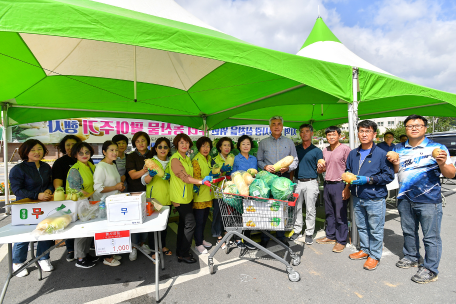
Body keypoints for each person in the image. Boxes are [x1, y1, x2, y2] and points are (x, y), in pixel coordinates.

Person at [388, 115, 455, 283]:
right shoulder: (398, 148)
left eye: (418, 125)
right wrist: (394, 162)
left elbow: (451, 174)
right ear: (405, 129)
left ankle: (431, 268)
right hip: (404, 197)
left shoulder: (438, 148)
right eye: (410, 125)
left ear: (425, 128)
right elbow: (397, 171)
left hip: (429, 199)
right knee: (408, 231)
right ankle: (411, 257)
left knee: (430, 237)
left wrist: (442, 163)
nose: (414, 128)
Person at [346, 120, 394, 271]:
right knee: (361, 226)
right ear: (357, 133)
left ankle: (374, 255)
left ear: (374, 134)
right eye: (361, 131)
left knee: (375, 228)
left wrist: (370, 180)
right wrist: (347, 181)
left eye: (368, 131)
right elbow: (348, 170)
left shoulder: (381, 154)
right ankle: (365, 249)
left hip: (375, 197)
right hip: (357, 196)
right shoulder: (353, 153)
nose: (364, 134)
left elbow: (389, 176)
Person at [9, 139, 55, 277]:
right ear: (26, 152)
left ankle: (43, 258)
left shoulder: (46, 167)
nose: (37, 152)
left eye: (39, 149)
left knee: (46, 231)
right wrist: (37, 195)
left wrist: (48, 190)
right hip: (25, 208)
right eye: (33, 150)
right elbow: (17, 190)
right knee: (24, 234)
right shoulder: (18, 169)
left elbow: (50, 183)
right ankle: (18, 262)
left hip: (44, 206)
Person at [170, 134, 212, 263]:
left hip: (187, 197)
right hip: (179, 198)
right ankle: (184, 253)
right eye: (181, 142)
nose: (184, 145)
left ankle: (180, 251)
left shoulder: (186, 158)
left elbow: (189, 175)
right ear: (177, 144)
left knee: (184, 225)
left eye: (187, 143)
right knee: (190, 224)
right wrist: (201, 181)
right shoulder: (175, 159)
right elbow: (185, 177)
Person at [257, 115, 298, 247]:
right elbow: (258, 160)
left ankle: (281, 236)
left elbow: (295, 160)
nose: (276, 126)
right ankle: (265, 237)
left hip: (283, 179)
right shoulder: (263, 142)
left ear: (282, 126)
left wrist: (288, 167)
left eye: (279, 124)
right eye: (273, 124)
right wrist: (264, 166)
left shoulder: (289, 142)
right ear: (270, 126)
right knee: (266, 207)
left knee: (282, 208)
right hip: (267, 180)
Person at [316, 126, 351, 251]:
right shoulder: (325, 150)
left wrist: (347, 188)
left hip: (340, 184)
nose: (331, 137)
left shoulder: (345, 149)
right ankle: (330, 236)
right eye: (329, 135)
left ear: (339, 136)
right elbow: (325, 168)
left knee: (340, 214)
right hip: (327, 184)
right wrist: (320, 169)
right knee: (329, 212)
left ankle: (341, 240)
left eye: (334, 135)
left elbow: (350, 169)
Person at [67, 142, 99, 268]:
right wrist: (84, 193)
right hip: (79, 204)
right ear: (75, 155)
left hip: (89, 202)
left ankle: (85, 254)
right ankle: (80, 258)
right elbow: (74, 188)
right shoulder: (75, 169)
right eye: (81, 153)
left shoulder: (91, 165)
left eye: (87, 152)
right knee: (82, 230)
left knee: (88, 230)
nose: (85, 155)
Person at [93, 140, 125, 266]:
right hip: (104, 204)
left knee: (113, 230)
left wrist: (119, 187)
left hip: (114, 202)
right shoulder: (101, 166)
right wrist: (116, 187)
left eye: (116, 150)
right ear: (104, 152)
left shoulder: (112, 164)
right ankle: (107, 258)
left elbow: (114, 183)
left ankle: (111, 252)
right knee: (106, 230)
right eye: (111, 150)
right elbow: (98, 188)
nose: (115, 152)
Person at [290, 124, 322, 244]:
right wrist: (291, 181)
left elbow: (320, 169)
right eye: (302, 132)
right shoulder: (295, 149)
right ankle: (297, 230)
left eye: (307, 131)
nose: (304, 134)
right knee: (296, 208)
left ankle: (309, 232)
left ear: (312, 133)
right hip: (298, 182)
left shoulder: (317, 151)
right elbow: (292, 166)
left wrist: (321, 168)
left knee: (310, 209)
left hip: (311, 182)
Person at [141, 137, 172, 260]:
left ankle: (163, 246)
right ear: (155, 149)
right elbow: (144, 181)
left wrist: (170, 178)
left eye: (165, 147)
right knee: (154, 226)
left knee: (164, 225)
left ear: (169, 149)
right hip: (154, 199)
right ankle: (155, 250)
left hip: (168, 198)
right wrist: (150, 175)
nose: (162, 149)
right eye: (160, 147)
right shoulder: (150, 162)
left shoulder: (171, 161)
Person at [52, 135, 81, 262]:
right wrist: (61, 195)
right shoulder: (60, 162)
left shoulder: (84, 159)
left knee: (82, 223)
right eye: (67, 145)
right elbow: (57, 183)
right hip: (67, 198)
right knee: (69, 223)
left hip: (83, 197)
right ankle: (70, 249)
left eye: (73, 144)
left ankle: (84, 248)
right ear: (64, 147)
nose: (70, 147)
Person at [126, 131, 154, 260]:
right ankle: (133, 246)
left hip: (152, 191)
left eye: (143, 140)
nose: (141, 143)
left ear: (147, 141)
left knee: (148, 219)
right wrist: (144, 170)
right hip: (136, 193)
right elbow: (132, 175)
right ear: (134, 144)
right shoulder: (131, 156)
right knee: (135, 221)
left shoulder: (153, 154)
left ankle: (143, 243)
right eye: (137, 141)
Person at [192, 137, 217, 254]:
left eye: (208, 146)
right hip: (199, 196)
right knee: (199, 221)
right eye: (203, 146)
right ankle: (198, 244)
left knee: (204, 220)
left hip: (208, 195)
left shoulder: (209, 158)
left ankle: (201, 240)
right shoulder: (196, 160)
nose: (206, 148)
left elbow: (213, 172)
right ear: (198, 147)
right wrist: (203, 180)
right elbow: (196, 179)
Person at [232, 135, 258, 250]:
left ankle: (247, 239)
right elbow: (232, 175)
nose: (246, 146)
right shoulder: (236, 158)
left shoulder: (254, 158)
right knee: (238, 215)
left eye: (248, 144)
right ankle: (238, 239)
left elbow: (255, 174)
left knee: (249, 214)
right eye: (243, 144)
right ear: (239, 146)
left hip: (251, 190)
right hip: (240, 190)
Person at [211, 137, 234, 249]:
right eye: (224, 145)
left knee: (228, 213)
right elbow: (212, 175)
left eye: (229, 145)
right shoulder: (214, 160)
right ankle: (218, 236)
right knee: (218, 214)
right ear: (220, 147)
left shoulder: (232, 158)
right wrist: (221, 171)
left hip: (230, 190)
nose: (227, 147)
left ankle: (226, 232)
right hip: (218, 191)